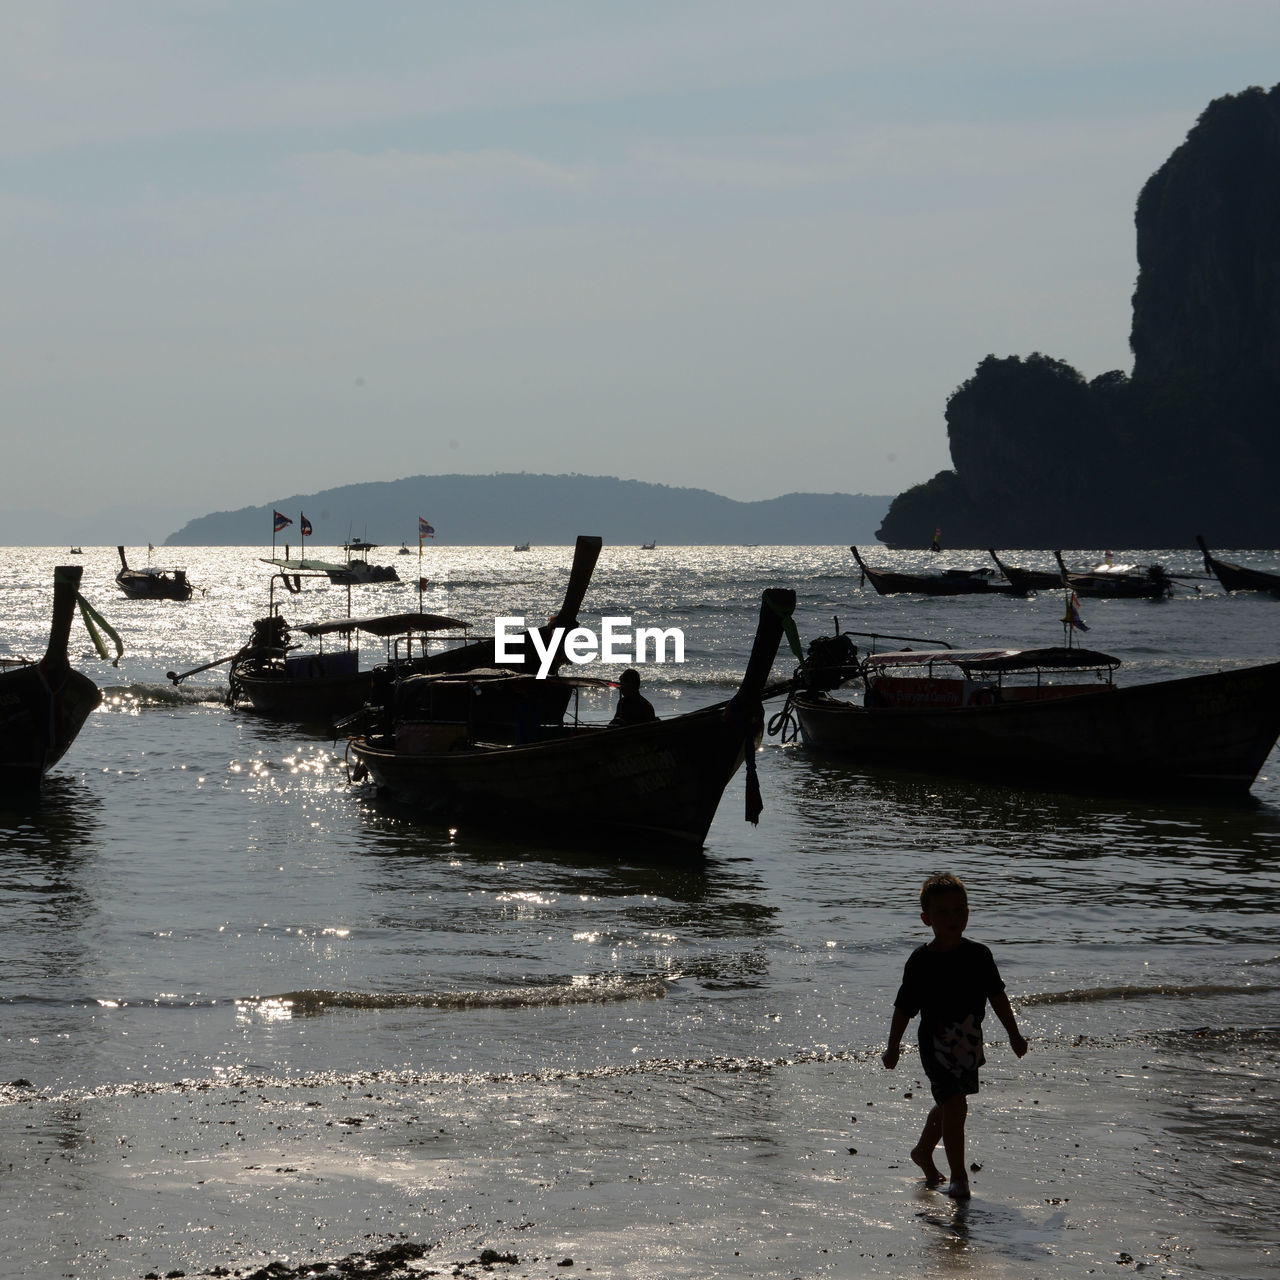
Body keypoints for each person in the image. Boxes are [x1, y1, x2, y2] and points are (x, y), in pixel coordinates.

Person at [882, 872, 1028, 1200]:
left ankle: (922, 1151)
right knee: (954, 1103)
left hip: (968, 1041)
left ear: (968, 912)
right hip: (934, 1043)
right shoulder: (921, 961)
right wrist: (892, 1047)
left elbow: (998, 997)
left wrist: (1014, 1035)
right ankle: (959, 1176)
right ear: (926, 918)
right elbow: (903, 1008)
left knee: (951, 1104)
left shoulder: (979, 956)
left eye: (959, 910)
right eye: (943, 912)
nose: (953, 918)